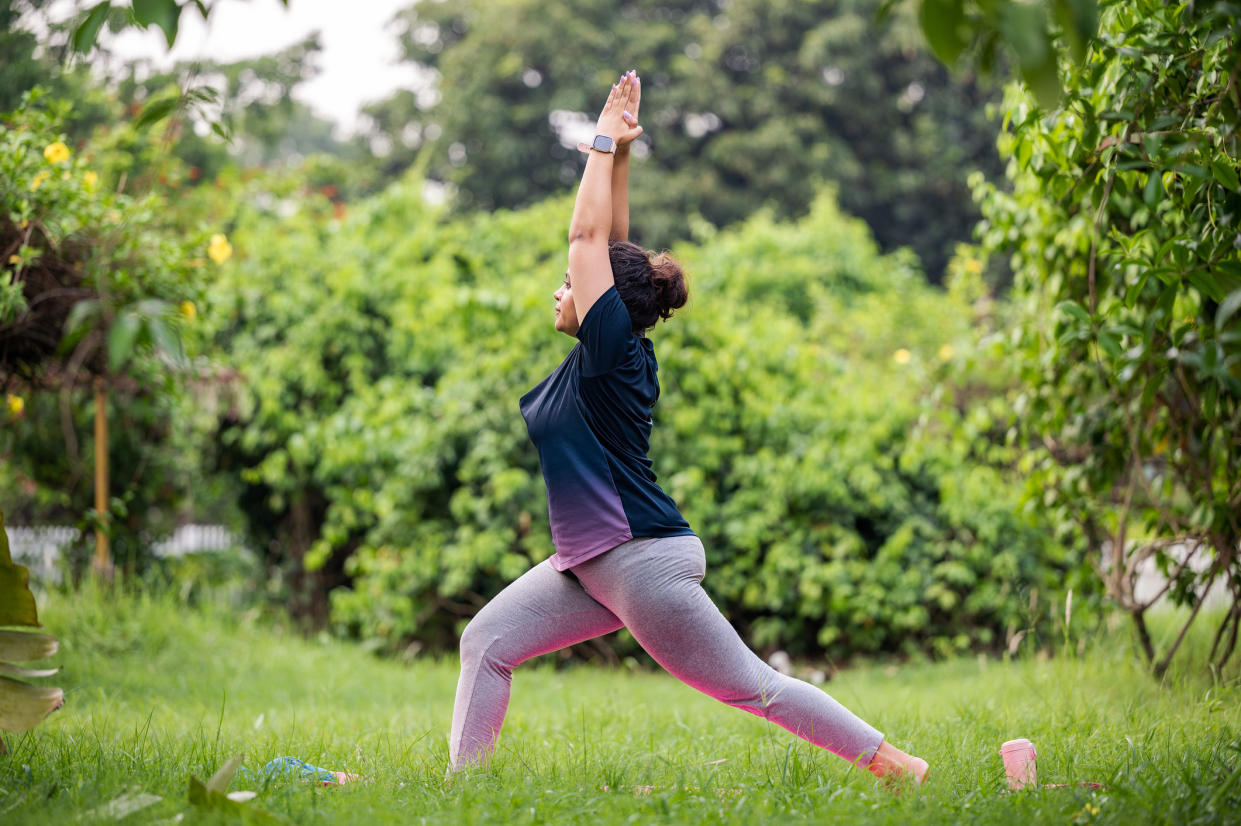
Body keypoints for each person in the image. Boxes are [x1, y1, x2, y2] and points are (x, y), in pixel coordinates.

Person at [447, 70, 928, 788]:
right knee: (485, 640)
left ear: (599, 298)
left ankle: (900, 768)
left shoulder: (610, 352)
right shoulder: (612, 348)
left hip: (640, 562)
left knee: (750, 686)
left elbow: (587, 235)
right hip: (590, 562)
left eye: (570, 282)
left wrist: (601, 139)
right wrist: (623, 155)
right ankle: (464, 794)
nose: (559, 288)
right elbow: (610, 241)